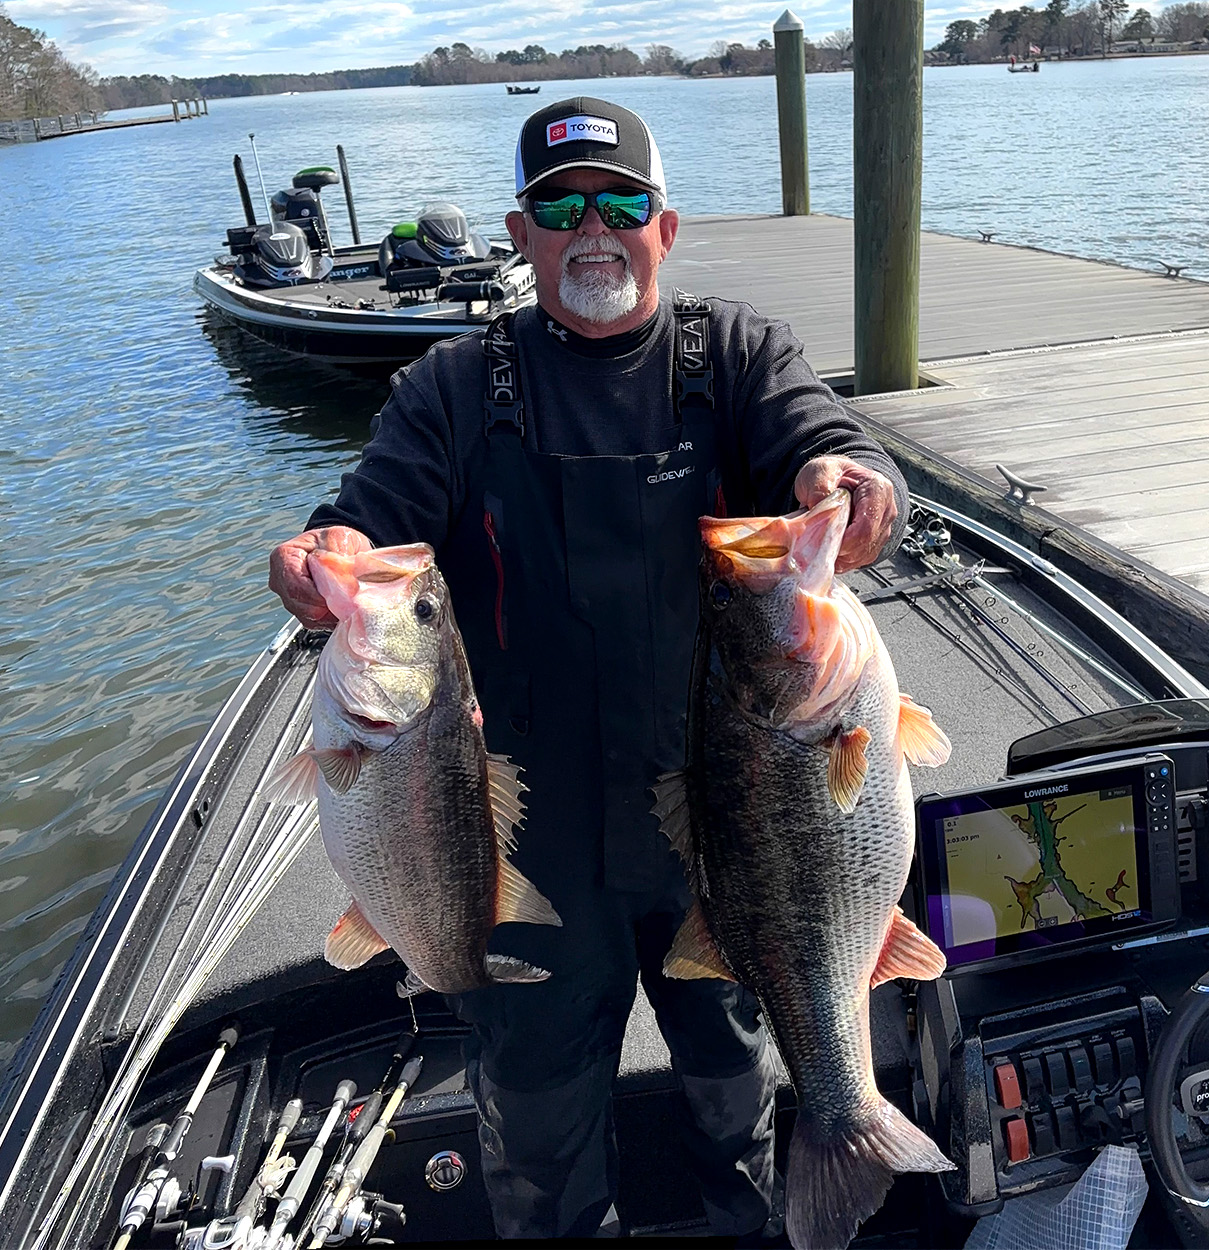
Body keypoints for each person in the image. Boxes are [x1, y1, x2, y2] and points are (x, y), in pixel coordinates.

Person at [268, 96, 911, 1241]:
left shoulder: (737, 354)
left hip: (725, 805)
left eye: (622, 203)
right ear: (521, 235)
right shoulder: (452, 387)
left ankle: (762, 1216)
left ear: (665, 225)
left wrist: (851, 490)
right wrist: (327, 555)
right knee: (536, 1108)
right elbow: (364, 521)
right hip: (524, 833)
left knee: (731, 1071)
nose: (593, 229)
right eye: (562, 208)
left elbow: (830, 443)